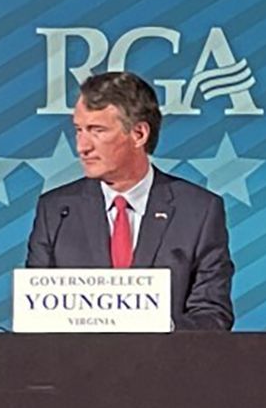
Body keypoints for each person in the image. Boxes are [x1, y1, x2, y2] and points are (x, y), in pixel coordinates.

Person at [25, 71, 235, 330]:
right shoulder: (56, 211)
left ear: (139, 134)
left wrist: (158, 327)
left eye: (97, 130)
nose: (82, 147)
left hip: (164, 355)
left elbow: (213, 316)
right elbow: (34, 320)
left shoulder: (198, 211)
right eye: (79, 130)